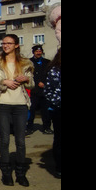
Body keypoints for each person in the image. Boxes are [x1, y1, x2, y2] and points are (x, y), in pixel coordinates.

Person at [0, 34, 34, 187]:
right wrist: (4, 82)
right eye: (3, 43)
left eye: (9, 43)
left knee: (20, 141)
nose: (5, 45)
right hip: (3, 105)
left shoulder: (26, 63)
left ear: (16, 45)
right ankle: (6, 173)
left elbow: (31, 84)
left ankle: (20, 173)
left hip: (20, 105)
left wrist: (26, 80)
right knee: (5, 140)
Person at [26, 44, 53, 135]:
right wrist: (37, 82)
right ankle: (29, 128)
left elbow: (50, 74)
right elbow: (29, 75)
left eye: (40, 51)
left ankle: (46, 127)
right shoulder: (29, 62)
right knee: (31, 110)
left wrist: (45, 83)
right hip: (34, 90)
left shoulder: (47, 62)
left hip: (44, 91)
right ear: (33, 52)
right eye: (37, 51)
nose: (38, 53)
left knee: (45, 111)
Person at [45, 48, 61, 178]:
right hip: (58, 109)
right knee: (60, 139)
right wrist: (58, 102)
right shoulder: (54, 71)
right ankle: (59, 166)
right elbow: (48, 91)